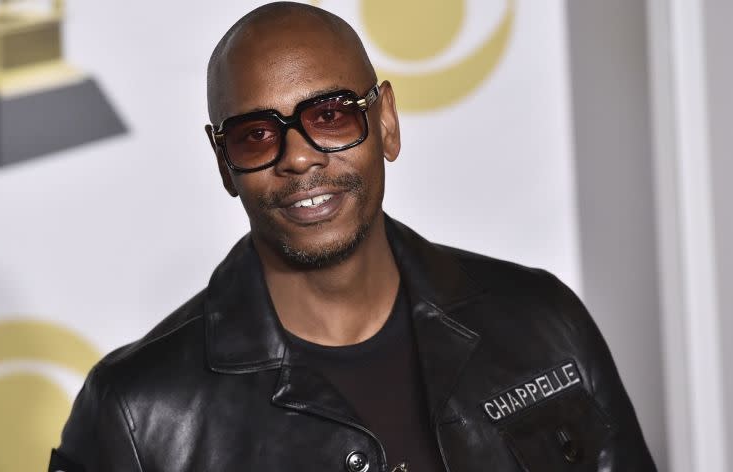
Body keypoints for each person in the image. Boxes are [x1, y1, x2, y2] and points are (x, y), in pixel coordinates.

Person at [49, 2, 657, 471]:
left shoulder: (541, 321)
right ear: (223, 163)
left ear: (385, 122)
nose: (298, 158)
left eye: (330, 115)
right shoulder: (137, 411)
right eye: (256, 135)